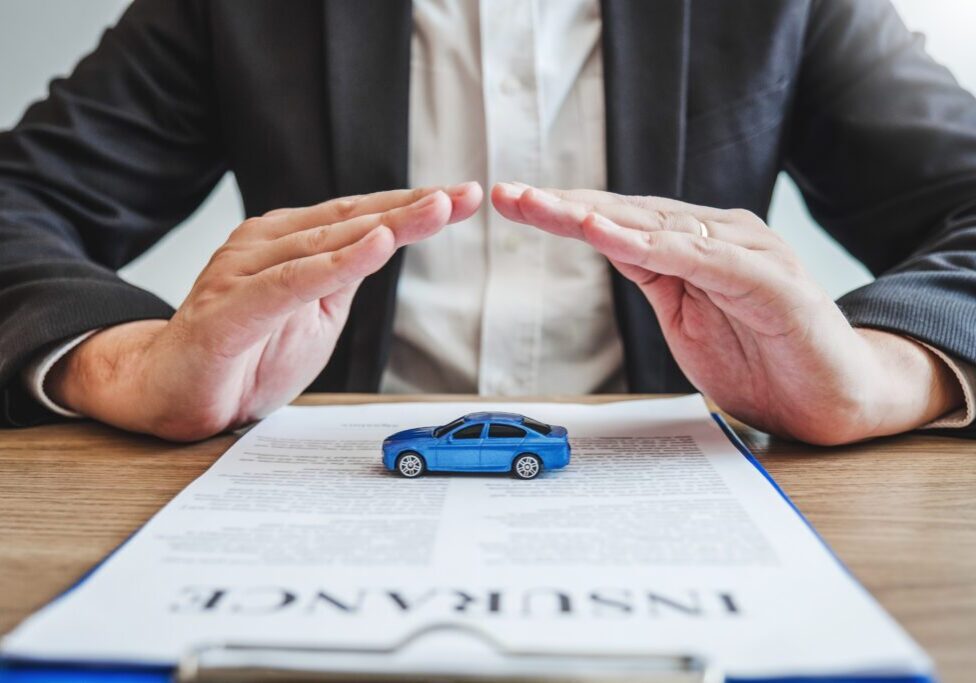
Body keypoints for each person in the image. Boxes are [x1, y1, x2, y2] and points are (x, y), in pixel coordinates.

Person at [0, 0, 974, 445]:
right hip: (313, 507)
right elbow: (19, 198)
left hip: (691, 508)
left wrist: (876, 376)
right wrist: (124, 365)